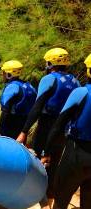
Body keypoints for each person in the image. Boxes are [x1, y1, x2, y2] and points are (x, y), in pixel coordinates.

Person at [16, 48, 80, 206]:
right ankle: (50, 200)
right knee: (55, 164)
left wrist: (24, 131)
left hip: (47, 126)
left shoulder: (49, 79)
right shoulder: (75, 81)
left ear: (50, 63)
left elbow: (37, 107)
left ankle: (38, 199)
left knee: (39, 162)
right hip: (65, 129)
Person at [41, 53, 91, 209]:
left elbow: (58, 124)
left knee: (61, 197)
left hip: (77, 153)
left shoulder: (81, 92)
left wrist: (47, 152)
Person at [0, 60, 36, 138]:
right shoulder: (27, 85)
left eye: (4, 73)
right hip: (24, 124)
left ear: (9, 74)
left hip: (11, 125)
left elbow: (5, 111)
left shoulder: (12, 86)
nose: (2, 75)